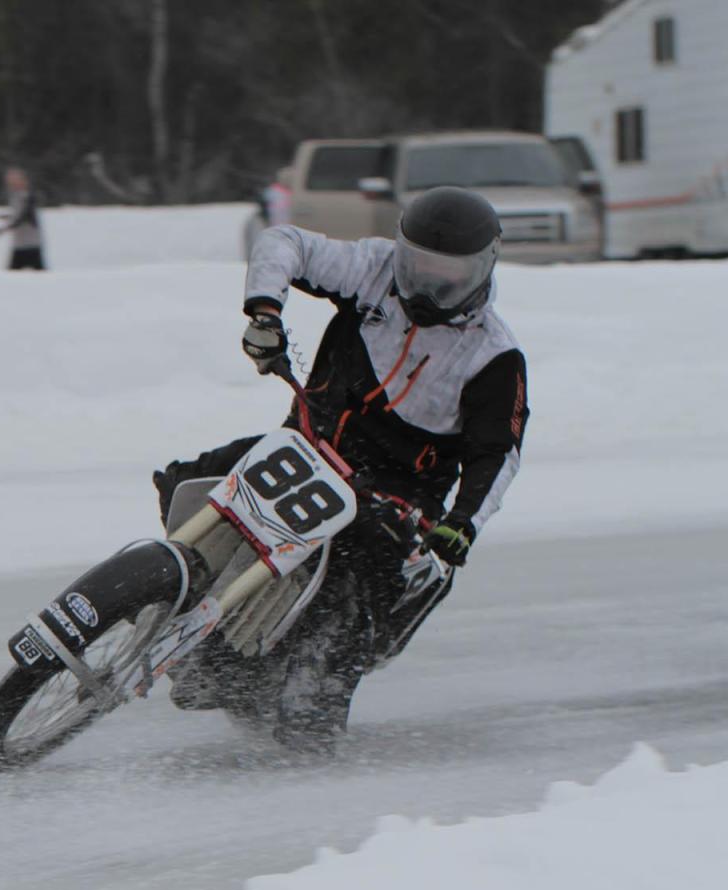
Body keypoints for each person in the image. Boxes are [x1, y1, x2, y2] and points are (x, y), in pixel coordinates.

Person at [155, 186, 528, 751]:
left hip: (398, 494)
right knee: (186, 480)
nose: (426, 284)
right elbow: (285, 243)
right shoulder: (373, 270)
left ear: (483, 269)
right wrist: (264, 310)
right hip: (306, 447)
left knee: (355, 591)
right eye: (417, 264)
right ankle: (188, 616)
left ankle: (312, 726)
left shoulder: (494, 355)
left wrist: (464, 521)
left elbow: (497, 453)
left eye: (446, 273)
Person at [0, 167, 45, 270]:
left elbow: (22, 217)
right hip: (21, 243)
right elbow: (19, 215)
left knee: (15, 276)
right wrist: (8, 217)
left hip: (30, 243)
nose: (10, 183)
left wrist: (4, 229)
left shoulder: (26, 196)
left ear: (22, 181)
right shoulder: (16, 196)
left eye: (13, 180)